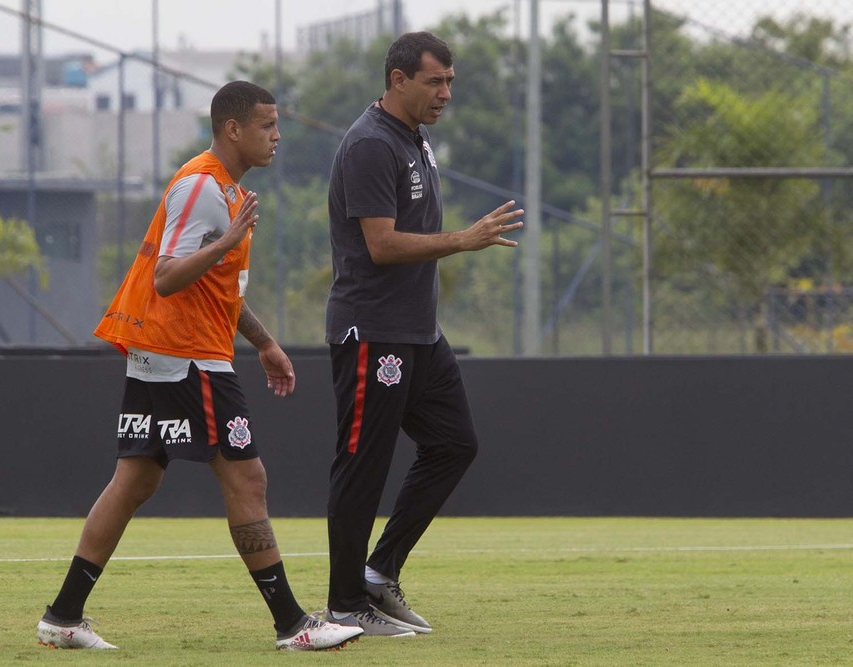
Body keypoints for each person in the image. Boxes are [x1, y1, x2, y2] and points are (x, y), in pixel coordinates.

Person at [35, 81, 363, 652]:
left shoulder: (228, 192)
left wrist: (263, 342)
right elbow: (167, 275)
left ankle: (63, 616)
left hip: (171, 351)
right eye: (267, 125)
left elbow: (217, 290)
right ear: (232, 129)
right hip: (187, 356)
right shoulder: (202, 186)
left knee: (135, 480)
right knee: (246, 477)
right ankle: (293, 624)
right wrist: (226, 242)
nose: (277, 135)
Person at [322, 32, 524, 637]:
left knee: (454, 443)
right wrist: (463, 239)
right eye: (435, 81)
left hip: (417, 332)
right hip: (372, 331)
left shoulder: (415, 138)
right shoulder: (369, 145)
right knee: (362, 464)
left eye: (451, 81)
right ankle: (343, 604)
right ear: (397, 79)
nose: (446, 92)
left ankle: (380, 573)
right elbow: (380, 245)